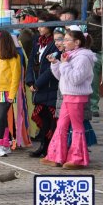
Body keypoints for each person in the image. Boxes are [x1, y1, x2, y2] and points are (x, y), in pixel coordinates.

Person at [43, 29, 96, 169]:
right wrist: (55, 63)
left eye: (67, 40)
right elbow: (62, 76)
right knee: (61, 125)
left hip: (76, 96)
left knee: (77, 126)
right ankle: (56, 155)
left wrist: (64, 64)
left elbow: (75, 78)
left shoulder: (83, 57)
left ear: (77, 42)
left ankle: (77, 158)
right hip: (68, 94)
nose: (63, 43)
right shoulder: (71, 55)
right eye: (63, 40)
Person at [25, 12, 60, 158]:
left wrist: (38, 84)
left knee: (51, 120)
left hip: (50, 86)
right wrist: (30, 81)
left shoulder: (56, 43)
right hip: (38, 87)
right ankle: (44, 147)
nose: (39, 27)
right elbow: (32, 61)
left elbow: (51, 69)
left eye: (42, 24)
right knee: (44, 118)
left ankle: (49, 148)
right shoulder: (37, 41)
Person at [0, 31, 21, 157]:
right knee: (1, 119)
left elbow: (16, 78)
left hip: (6, 92)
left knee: (1, 117)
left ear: (4, 42)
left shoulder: (14, 57)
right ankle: (6, 144)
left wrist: (12, 94)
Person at [87, 0, 103, 118]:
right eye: (98, 9)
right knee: (94, 82)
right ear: (94, 9)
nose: (101, 11)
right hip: (95, 53)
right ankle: (93, 107)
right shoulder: (89, 21)